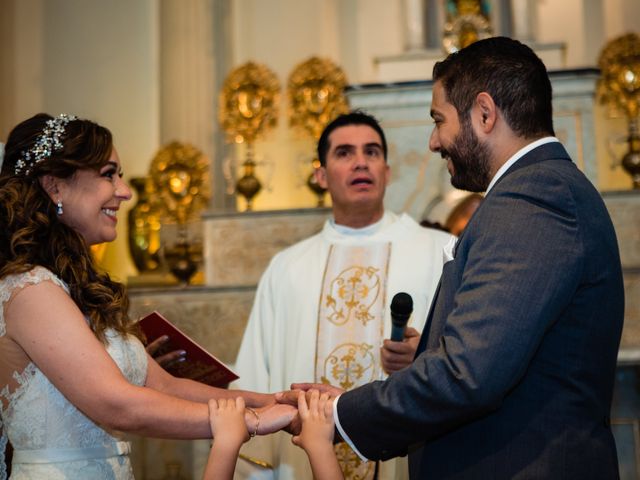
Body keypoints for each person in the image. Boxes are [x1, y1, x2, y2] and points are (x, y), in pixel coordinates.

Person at [285, 37, 625, 479]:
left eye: (438, 120)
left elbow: (468, 375)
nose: (433, 141)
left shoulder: (533, 197)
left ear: (484, 114)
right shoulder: (541, 190)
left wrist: (338, 413)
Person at [0, 113, 296, 479]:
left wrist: (270, 401)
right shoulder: (30, 290)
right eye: (109, 174)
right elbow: (117, 406)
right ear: (55, 186)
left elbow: (166, 386)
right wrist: (252, 421)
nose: (124, 191)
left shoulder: (74, 289)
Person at [233, 111, 453, 479]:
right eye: (344, 153)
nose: (361, 162)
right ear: (320, 176)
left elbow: (473, 360)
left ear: (386, 170)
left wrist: (423, 355)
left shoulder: (440, 252)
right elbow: (256, 378)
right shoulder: (287, 268)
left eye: (372, 152)